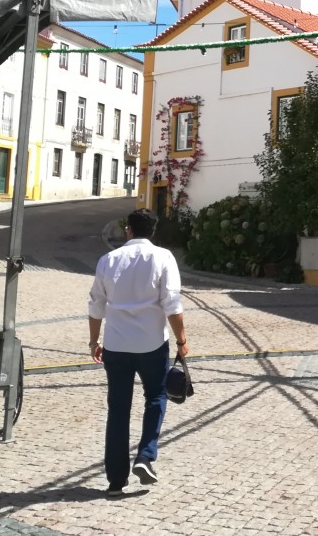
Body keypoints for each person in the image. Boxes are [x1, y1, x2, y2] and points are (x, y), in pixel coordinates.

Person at [88, 208, 190, 496]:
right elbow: (172, 303)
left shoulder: (108, 260)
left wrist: (94, 342)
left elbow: (95, 305)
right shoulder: (163, 257)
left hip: (116, 345)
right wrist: (182, 340)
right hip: (152, 344)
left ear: (128, 230)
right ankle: (145, 455)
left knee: (118, 409)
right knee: (156, 396)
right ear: (153, 232)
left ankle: (115, 481)